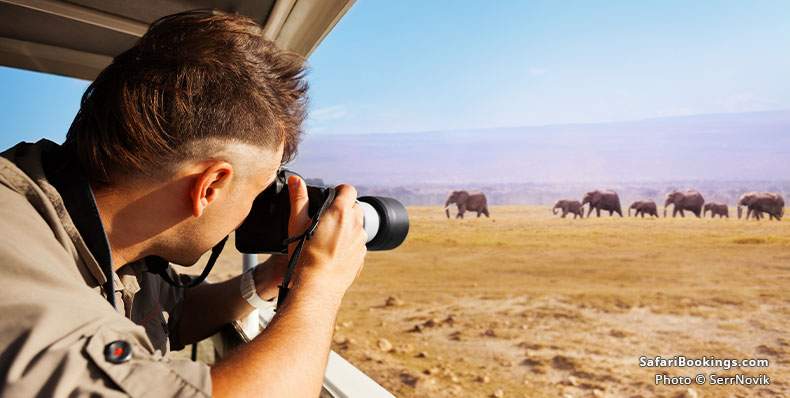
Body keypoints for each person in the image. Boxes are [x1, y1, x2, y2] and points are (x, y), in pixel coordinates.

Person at [0, 10, 367, 397]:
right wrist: (320, 285)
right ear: (210, 186)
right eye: (257, 190)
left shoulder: (97, 234)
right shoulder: (17, 259)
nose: (251, 211)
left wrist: (272, 275)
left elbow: (172, 312)